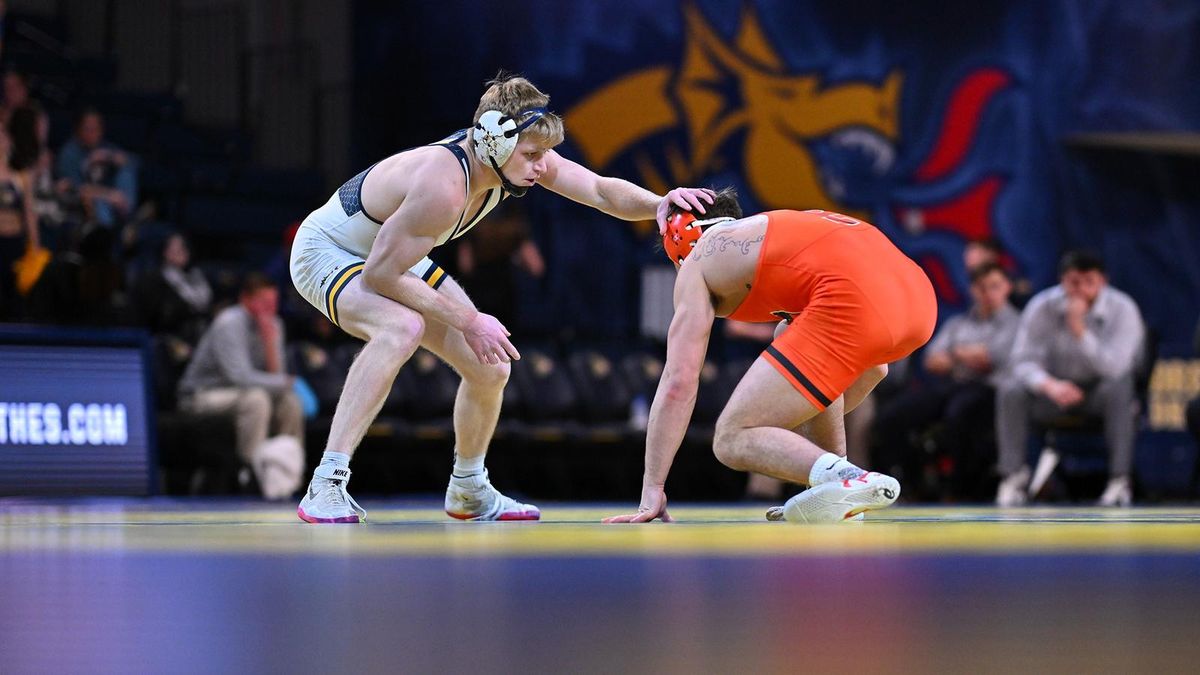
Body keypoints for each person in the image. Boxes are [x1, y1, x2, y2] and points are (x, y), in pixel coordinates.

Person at [289, 73, 715, 523]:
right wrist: (470, 320)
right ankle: (326, 483)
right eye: (531, 155)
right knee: (401, 328)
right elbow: (380, 275)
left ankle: (468, 488)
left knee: (491, 366)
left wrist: (659, 203)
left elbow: (598, 190)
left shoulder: (509, 156)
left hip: (387, 254)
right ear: (493, 139)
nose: (540, 167)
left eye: (543, 155)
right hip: (328, 252)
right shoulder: (444, 185)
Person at [604, 189, 937, 524]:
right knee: (789, 340)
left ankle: (848, 477)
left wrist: (653, 486)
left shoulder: (699, 257)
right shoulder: (775, 230)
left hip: (853, 300)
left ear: (680, 241)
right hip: (919, 305)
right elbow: (874, 369)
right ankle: (838, 494)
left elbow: (679, 382)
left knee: (731, 437)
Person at [994, 250, 1145, 507]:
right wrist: (1049, 384)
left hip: (1099, 393)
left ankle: (1120, 480)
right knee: (1011, 390)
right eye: (1074, 282)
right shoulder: (1042, 307)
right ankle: (1013, 477)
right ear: (1062, 280)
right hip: (1054, 394)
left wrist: (1079, 331)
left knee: (1121, 387)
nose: (1081, 290)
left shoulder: (1123, 309)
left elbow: (1116, 368)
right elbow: (1021, 361)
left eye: (1090, 282)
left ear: (1103, 281)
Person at [871, 262, 1019, 500]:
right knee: (893, 416)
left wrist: (956, 354)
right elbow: (932, 361)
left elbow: (988, 360)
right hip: (953, 385)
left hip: (991, 390)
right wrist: (967, 355)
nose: (988, 293)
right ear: (972, 290)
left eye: (995, 286)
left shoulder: (1016, 323)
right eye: (982, 287)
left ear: (1007, 287)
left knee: (959, 414)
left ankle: (959, 490)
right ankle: (911, 485)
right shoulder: (958, 323)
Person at [177, 273, 305, 499]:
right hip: (202, 394)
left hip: (242, 392)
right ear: (246, 300)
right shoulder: (229, 322)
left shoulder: (274, 325)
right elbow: (240, 377)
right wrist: (284, 382)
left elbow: (276, 378)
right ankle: (251, 475)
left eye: (273, 304)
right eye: (263, 303)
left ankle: (287, 474)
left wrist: (269, 341)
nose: (270, 309)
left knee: (290, 403)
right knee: (256, 399)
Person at [55, 107, 138, 228]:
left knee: (126, 171)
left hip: (115, 201)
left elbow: (135, 163)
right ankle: (109, 234)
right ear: (78, 130)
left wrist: (110, 157)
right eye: (87, 129)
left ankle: (130, 219)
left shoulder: (105, 147)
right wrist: (110, 195)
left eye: (95, 129)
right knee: (100, 204)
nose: (92, 133)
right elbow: (76, 188)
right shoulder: (69, 152)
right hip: (84, 203)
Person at [0, 124, 37, 319]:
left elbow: (29, 212)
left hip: (15, 243)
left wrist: (35, 246)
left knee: (16, 297)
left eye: (2, 136)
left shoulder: (21, 177)